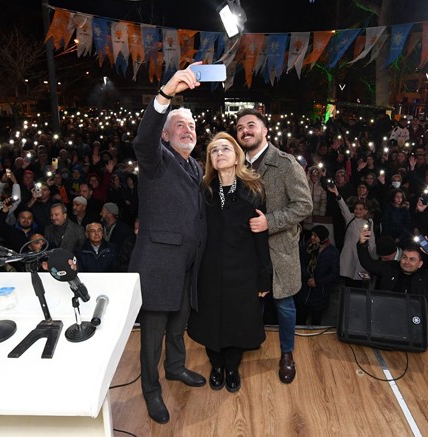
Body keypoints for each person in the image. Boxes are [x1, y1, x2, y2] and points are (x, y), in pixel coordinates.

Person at [129, 65, 208, 424]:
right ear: (164, 135)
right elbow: (142, 139)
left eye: (192, 126)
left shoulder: (195, 167)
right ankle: (151, 389)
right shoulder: (155, 160)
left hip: (187, 266)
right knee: (153, 336)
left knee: (178, 326)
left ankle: (175, 368)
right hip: (159, 265)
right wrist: (165, 94)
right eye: (179, 125)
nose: (188, 129)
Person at [188, 133, 271, 394]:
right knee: (211, 319)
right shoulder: (203, 191)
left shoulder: (254, 190)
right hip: (208, 270)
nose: (220, 153)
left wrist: (264, 274)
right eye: (214, 151)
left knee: (238, 320)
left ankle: (232, 368)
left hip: (243, 270)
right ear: (210, 160)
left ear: (237, 157)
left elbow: (260, 235)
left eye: (225, 148)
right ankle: (216, 366)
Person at [238, 108, 313, 385]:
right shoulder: (236, 164)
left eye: (251, 125)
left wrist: (269, 222)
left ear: (265, 130)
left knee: (284, 305)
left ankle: (287, 354)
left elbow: (304, 205)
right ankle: (250, 340)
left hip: (279, 249)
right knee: (250, 302)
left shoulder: (285, 163)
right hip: (247, 250)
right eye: (240, 128)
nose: (245, 130)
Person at [356, 227, 428, 296]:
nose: (407, 262)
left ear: (420, 264)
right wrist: (362, 244)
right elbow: (368, 263)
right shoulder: (390, 268)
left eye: (412, 259)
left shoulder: (424, 277)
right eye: (404, 257)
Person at [296, 225, 339, 326]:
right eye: (312, 235)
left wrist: (317, 282)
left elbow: (334, 274)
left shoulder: (332, 252)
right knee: (300, 320)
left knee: (315, 322)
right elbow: (301, 264)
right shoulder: (307, 248)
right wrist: (307, 277)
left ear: (322, 237)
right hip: (304, 291)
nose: (312, 238)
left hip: (319, 294)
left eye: (315, 236)